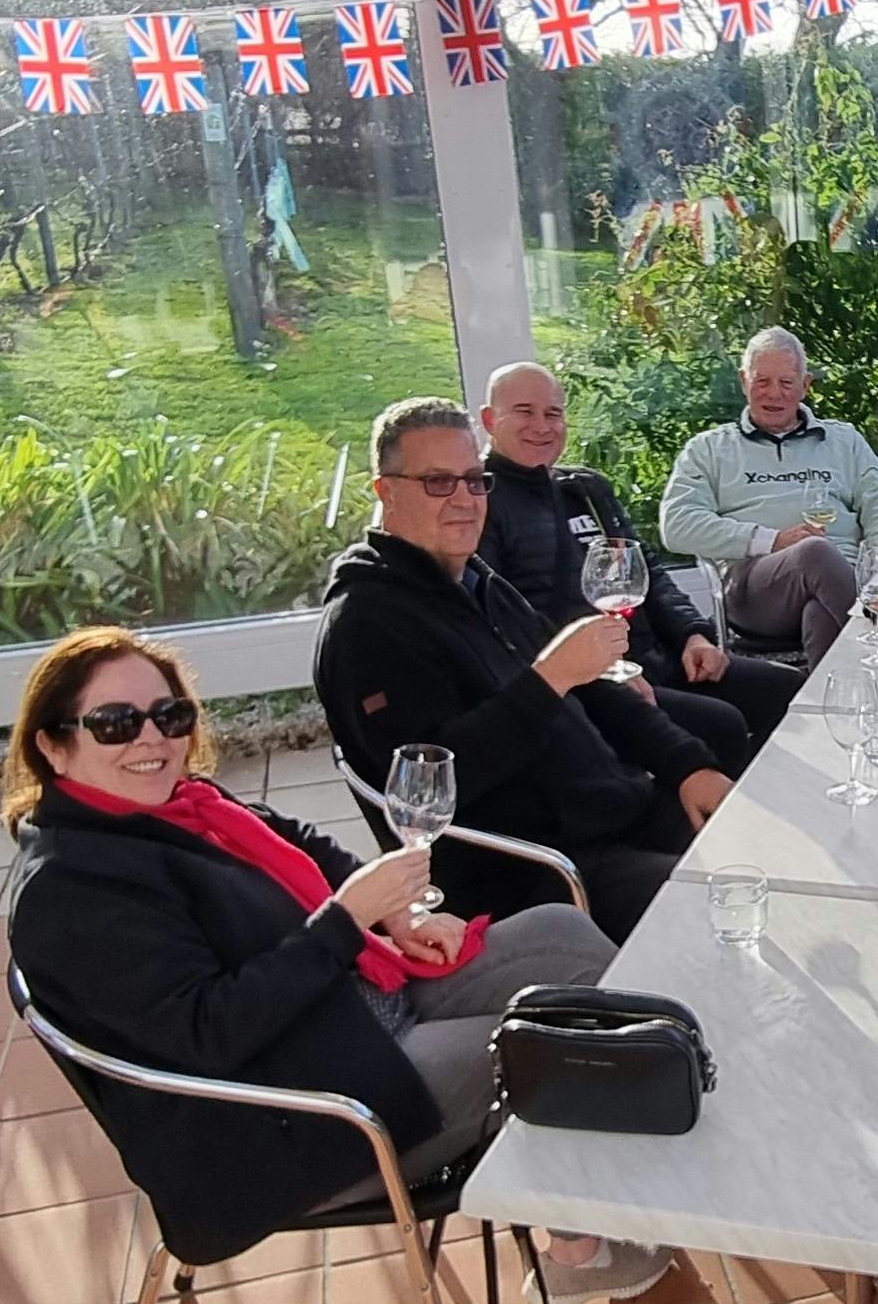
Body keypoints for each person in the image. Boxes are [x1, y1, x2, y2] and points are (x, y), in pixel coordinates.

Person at [4, 626, 670, 1304]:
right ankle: (581, 1247)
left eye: (170, 714)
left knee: (560, 935)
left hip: (338, 1012)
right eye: (115, 723)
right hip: (294, 1120)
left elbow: (304, 843)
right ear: (52, 744)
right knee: (558, 1050)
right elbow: (208, 1033)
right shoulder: (72, 892)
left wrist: (396, 917)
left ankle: (602, 1178)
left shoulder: (181, 807)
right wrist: (344, 924)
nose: (152, 739)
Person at [314, 397, 735, 945]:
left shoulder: (475, 581)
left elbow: (597, 689)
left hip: (612, 813)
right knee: (726, 910)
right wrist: (550, 680)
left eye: (473, 480)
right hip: (531, 866)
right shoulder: (367, 626)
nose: (464, 500)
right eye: (439, 482)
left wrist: (686, 766)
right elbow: (433, 790)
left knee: (766, 858)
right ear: (386, 491)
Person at [477, 361, 802, 770]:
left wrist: (693, 636)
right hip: (588, 685)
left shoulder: (585, 488)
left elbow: (647, 571)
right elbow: (509, 620)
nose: (542, 426)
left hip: (659, 657)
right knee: (723, 724)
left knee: (791, 692)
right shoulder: (478, 503)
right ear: (489, 420)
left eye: (553, 413)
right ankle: (713, 822)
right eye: (524, 412)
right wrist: (604, 673)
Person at [659, 326, 878, 666]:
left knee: (819, 613)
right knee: (814, 552)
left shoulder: (843, 441)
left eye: (786, 383)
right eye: (762, 381)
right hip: (755, 590)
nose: (773, 394)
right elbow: (677, 525)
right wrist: (771, 540)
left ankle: (830, 715)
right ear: (744, 381)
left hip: (844, 581)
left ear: (805, 386)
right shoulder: (709, 449)